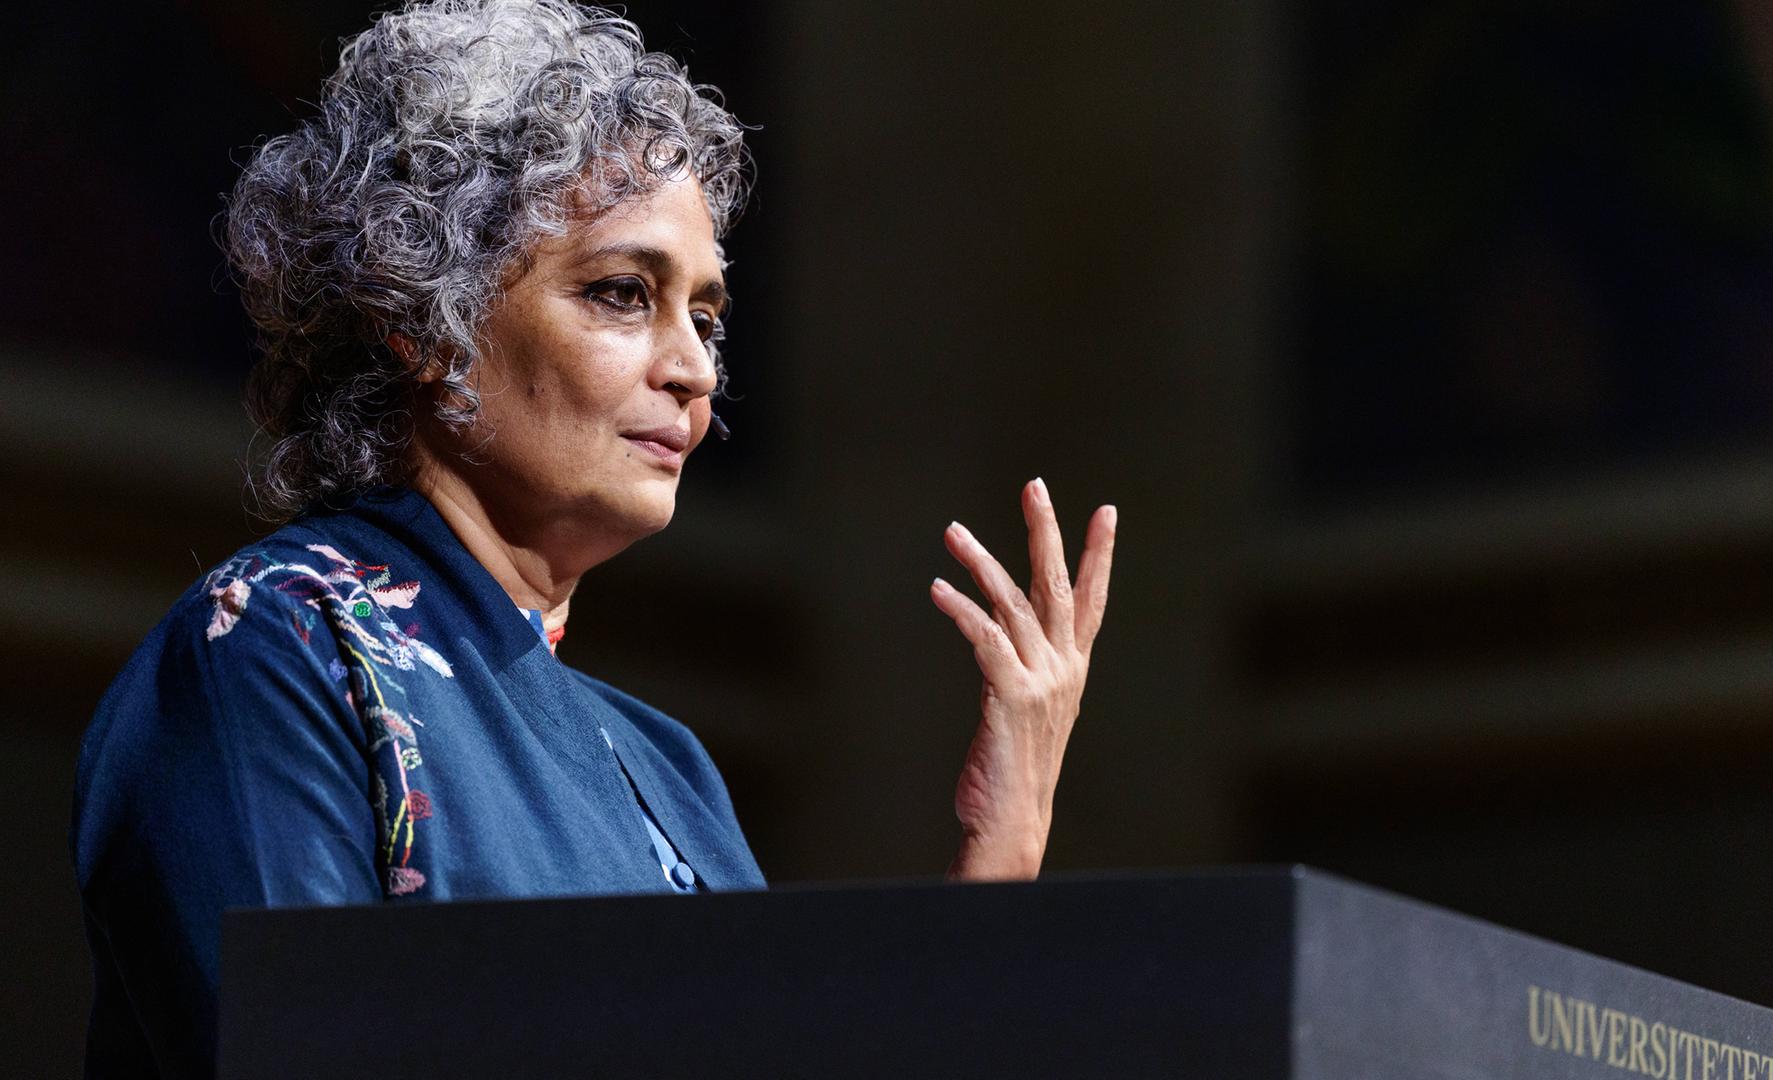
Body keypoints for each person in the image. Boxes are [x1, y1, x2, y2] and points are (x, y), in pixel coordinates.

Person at [67, 0, 1118, 1075]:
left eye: (704, 317)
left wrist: (1004, 849)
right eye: (623, 295)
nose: (695, 369)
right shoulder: (275, 647)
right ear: (427, 320)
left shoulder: (665, 767)